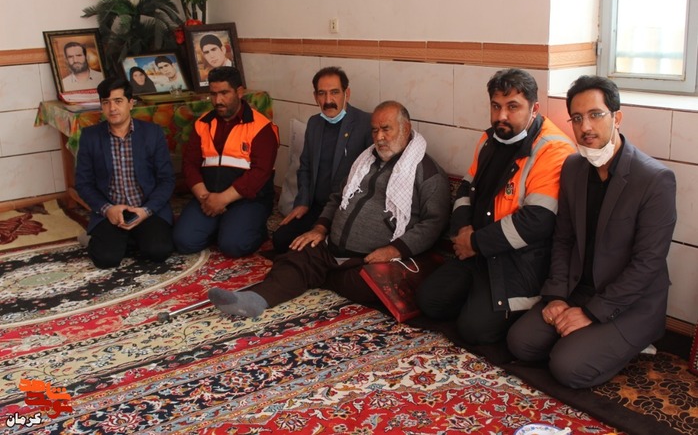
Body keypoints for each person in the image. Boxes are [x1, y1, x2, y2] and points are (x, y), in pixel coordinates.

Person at [506, 75, 677, 388]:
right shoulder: (573, 167)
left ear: (617, 117)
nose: (585, 127)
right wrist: (556, 297)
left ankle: (634, 342)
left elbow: (647, 264)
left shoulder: (655, 180)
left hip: (631, 302)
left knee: (568, 366)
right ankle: (584, 342)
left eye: (595, 115)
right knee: (521, 342)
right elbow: (563, 239)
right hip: (579, 289)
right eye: (577, 118)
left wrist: (591, 313)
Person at [208, 100, 451, 318]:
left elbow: (434, 223)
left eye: (386, 129)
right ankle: (254, 300)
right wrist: (320, 228)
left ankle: (320, 274)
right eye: (374, 130)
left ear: (406, 128)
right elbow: (338, 198)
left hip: (369, 259)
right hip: (333, 247)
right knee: (297, 252)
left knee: (368, 284)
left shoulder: (427, 172)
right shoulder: (365, 160)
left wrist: (394, 250)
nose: (379, 137)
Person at [416, 68, 576, 345]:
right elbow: (466, 188)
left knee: (474, 330)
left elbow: (538, 221)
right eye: (496, 106)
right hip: (478, 252)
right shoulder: (489, 138)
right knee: (429, 301)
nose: (501, 115)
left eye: (513, 107)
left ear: (534, 108)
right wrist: (463, 232)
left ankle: (498, 308)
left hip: (520, 260)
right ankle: (479, 300)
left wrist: (475, 242)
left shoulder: (553, 149)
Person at [173, 66, 280, 257]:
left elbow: (260, 173)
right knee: (184, 241)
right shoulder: (203, 124)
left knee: (233, 246)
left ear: (239, 92)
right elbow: (189, 164)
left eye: (224, 93)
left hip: (247, 200)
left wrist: (222, 199)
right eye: (213, 94)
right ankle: (223, 225)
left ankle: (245, 229)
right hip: (208, 196)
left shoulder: (261, 127)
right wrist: (205, 197)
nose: (218, 101)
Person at [74, 77, 175, 268]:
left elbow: (166, 179)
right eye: (106, 102)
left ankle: (128, 239)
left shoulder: (152, 133)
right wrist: (107, 209)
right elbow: (83, 183)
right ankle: (111, 240)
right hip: (111, 210)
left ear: (131, 103)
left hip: (145, 208)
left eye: (118, 101)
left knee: (159, 252)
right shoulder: (90, 136)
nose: (112, 108)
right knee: (106, 259)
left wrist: (145, 211)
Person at [272, 66, 373, 254]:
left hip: (345, 209)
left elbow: (370, 180)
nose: (328, 100)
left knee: (317, 250)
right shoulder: (314, 123)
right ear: (315, 97)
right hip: (316, 206)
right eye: (322, 93)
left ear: (347, 93)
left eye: (334, 92)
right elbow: (305, 167)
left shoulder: (365, 124)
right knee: (281, 240)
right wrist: (302, 202)